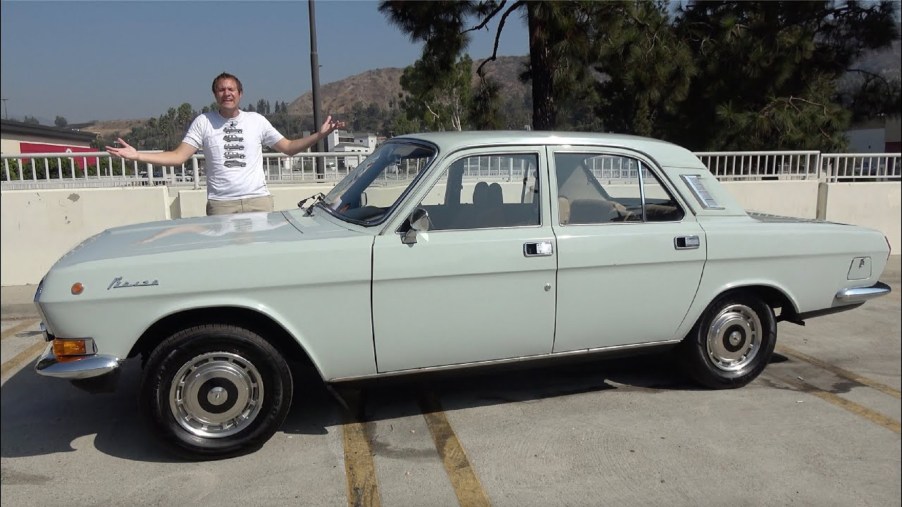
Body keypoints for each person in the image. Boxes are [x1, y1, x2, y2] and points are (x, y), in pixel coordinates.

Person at [106, 72, 346, 215]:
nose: (227, 93)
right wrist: (138, 156)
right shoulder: (203, 122)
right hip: (221, 205)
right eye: (221, 90)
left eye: (231, 89)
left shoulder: (256, 120)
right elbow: (178, 156)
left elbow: (289, 148)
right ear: (215, 95)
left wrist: (319, 135)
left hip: (258, 202)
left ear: (240, 93)